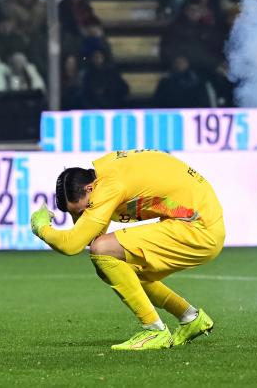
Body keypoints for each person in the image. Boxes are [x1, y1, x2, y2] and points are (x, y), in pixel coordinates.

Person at [30, 149, 226, 350]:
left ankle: (154, 330)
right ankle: (191, 318)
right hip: (196, 222)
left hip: (199, 228)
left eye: (81, 211)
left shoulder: (109, 186)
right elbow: (89, 237)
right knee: (115, 267)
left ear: (89, 188)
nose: (79, 219)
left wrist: (41, 228)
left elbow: (71, 245)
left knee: (103, 251)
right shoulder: (105, 177)